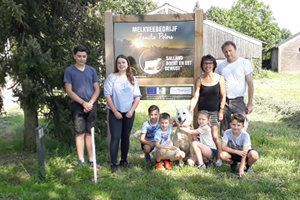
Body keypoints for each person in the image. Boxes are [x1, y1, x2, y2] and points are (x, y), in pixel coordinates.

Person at [64, 45, 101, 168]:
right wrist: (82, 103)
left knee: (90, 132)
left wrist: (90, 103)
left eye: (84, 56)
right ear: (74, 56)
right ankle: (81, 161)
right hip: (77, 105)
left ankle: (91, 159)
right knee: (80, 133)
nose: (81, 58)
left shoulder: (92, 70)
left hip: (91, 105)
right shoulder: (69, 71)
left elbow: (97, 89)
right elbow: (69, 91)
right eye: (79, 56)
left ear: (87, 57)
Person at [104, 54, 142, 173]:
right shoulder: (111, 78)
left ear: (127, 65)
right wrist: (115, 111)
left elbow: (137, 97)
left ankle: (124, 160)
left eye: (123, 63)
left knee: (126, 137)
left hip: (129, 112)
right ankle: (113, 163)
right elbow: (108, 96)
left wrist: (131, 110)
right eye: (119, 63)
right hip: (115, 112)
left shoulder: (132, 79)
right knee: (115, 137)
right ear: (116, 65)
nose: (121, 65)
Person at [190, 54, 226, 166]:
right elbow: (196, 96)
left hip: (214, 112)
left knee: (215, 136)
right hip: (202, 112)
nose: (208, 65)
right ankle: (204, 159)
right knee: (200, 136)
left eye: (210, 63)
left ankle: (218, 158)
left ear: (214, 65)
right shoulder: (199, 80)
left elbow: (223, 96)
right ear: (202, 65)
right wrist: (190, 108)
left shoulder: (220, 78)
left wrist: (221, 110)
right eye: (205, 63)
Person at [215, 41, 254, 137]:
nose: (228, 54)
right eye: (225, 52)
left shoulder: (244, 63)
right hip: (225, 101)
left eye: (230, 51)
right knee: (224, 128)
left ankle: (241, 148)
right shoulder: (221, 66)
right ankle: (226, 149)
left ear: (235, 50)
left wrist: (250, 104)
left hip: (238, 100)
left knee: (240, 126)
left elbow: (250, 83)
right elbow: (216, 82)